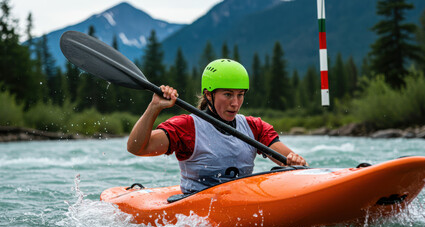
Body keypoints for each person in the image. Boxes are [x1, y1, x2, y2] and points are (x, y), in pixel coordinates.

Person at [127, 59, 307, 194]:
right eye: (228, 95)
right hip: (197, 210)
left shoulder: (254, 127)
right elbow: (137, 147)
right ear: (209, 95)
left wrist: (295, 162)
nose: (235, 103)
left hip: (240, 199)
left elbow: (290, 161)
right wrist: (154, 107)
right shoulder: (187, 127)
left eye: (240, 95)